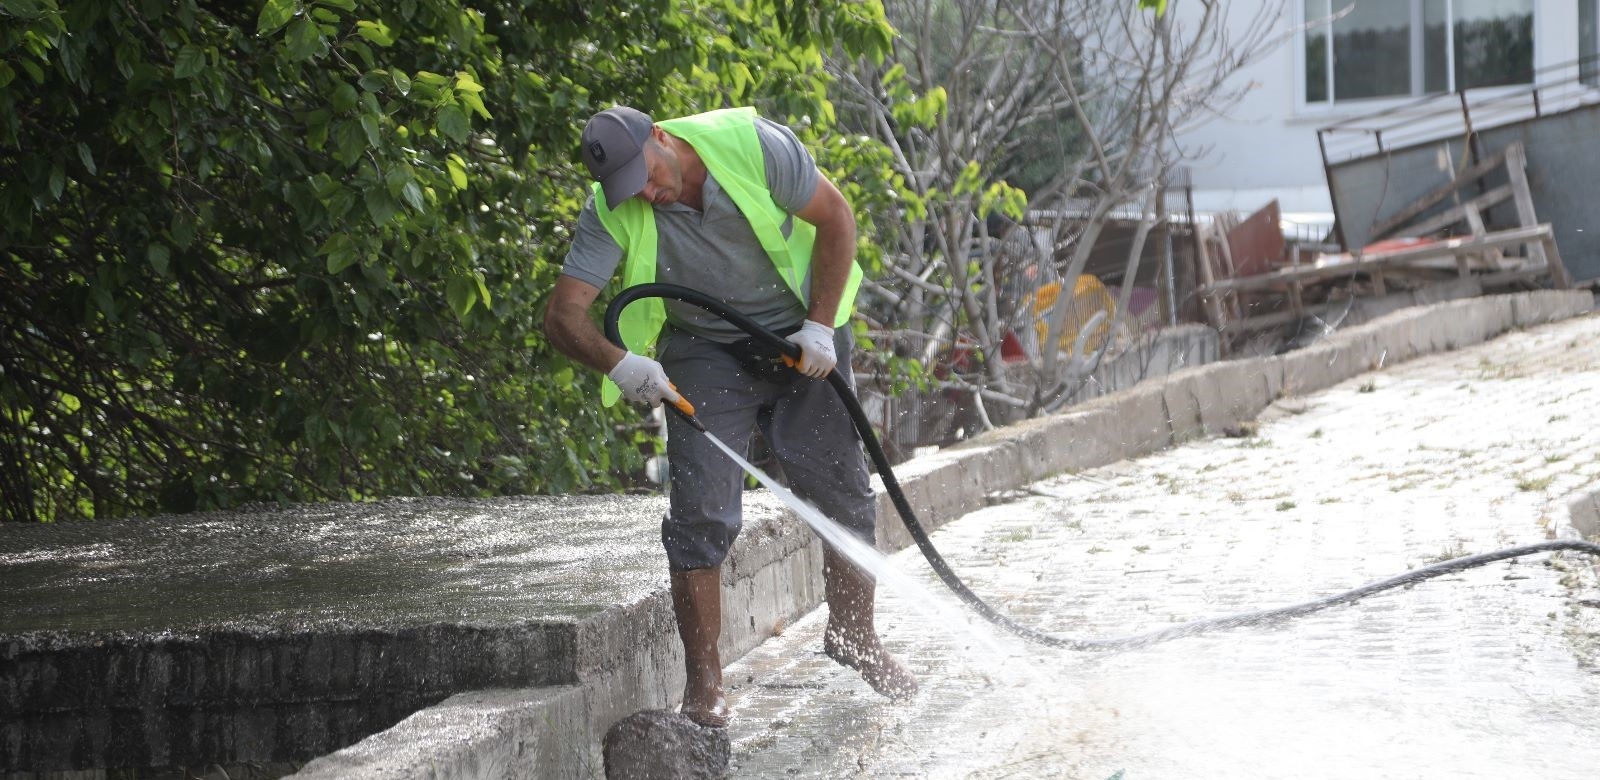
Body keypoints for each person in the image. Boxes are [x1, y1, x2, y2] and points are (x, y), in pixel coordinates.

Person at [543, 105, 917, 727]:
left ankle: (856, 640)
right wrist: (619, 364)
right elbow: (563, 315)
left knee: (843, 495)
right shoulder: (611, 206)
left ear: (660, 137)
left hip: (804, 339)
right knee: (701, 512)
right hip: (706, 350)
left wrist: (820, 325)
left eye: (647, 175)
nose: (646, 193)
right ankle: (706, 684)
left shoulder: (753, 147)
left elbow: (836, 218)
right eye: (629, 189)